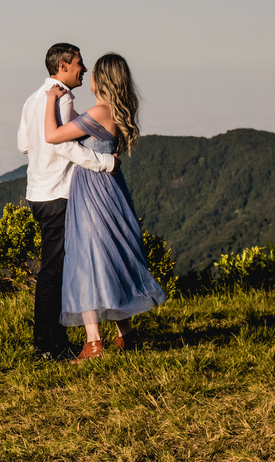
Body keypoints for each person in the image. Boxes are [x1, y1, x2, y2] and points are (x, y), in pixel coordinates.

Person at [44, 52, 166, 362]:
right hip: (111, 189)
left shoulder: (99, 112)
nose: (90, 75)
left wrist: (50, 100)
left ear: (104, 79)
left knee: (85, 259)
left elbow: (52, 136)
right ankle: (125, 333)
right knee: (109, 256)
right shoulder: (117, 112)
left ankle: (93, 342)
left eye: (95, 72)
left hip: (91, 190)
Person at [17, 43, 119, 361]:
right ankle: (49, 345)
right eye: (79, 63)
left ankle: (53, 341)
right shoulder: (62, 97)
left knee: (55, 268)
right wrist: (105, 163)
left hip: (37, 192)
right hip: (58, 193)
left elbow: (23, 144)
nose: (83, 68)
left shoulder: (34, 99)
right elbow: (62, 146)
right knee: (54, 270)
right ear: (63, 66)